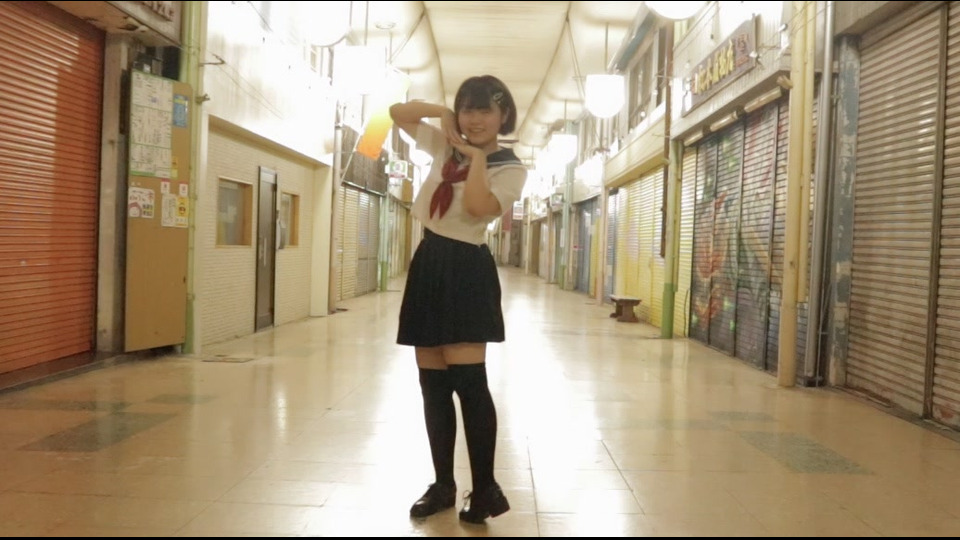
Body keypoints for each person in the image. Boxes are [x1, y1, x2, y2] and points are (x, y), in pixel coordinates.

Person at [389, 75, 527, 524]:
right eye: (468, 109)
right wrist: (442, 113)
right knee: (432, 386)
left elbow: (477, 208)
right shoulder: (445, 143)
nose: (475, 119)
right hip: (429, 259)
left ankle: (485, 488)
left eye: (485, 110)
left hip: (466, 267)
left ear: (503, 115)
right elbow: (397, 113)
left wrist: (476, 158)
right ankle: (443, 484)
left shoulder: (510, 167)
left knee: (469, 384)